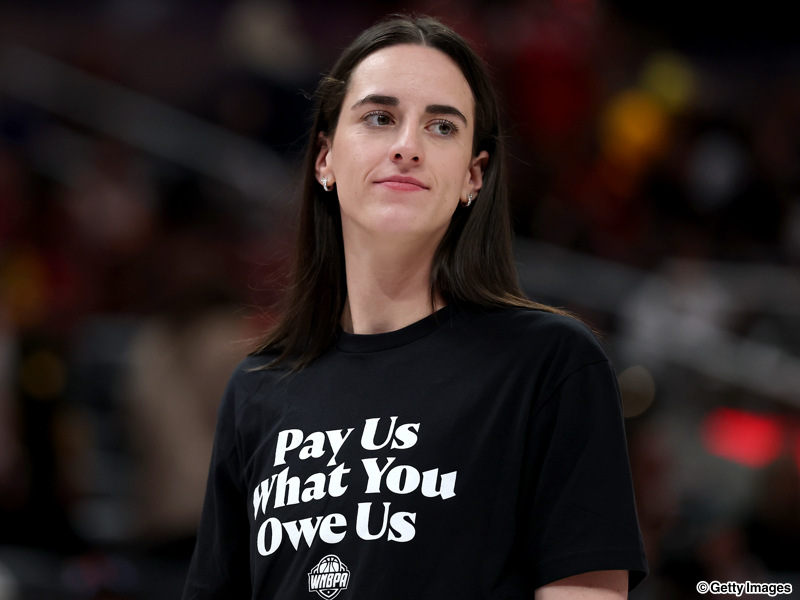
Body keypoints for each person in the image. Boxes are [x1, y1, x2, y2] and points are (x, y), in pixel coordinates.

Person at [183, 14, 648, 600]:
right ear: (325, 158)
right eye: (380, 118)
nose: (407, 147)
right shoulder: (258, 386)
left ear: (473, 177)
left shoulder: (549, 363)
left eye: (442, 127)